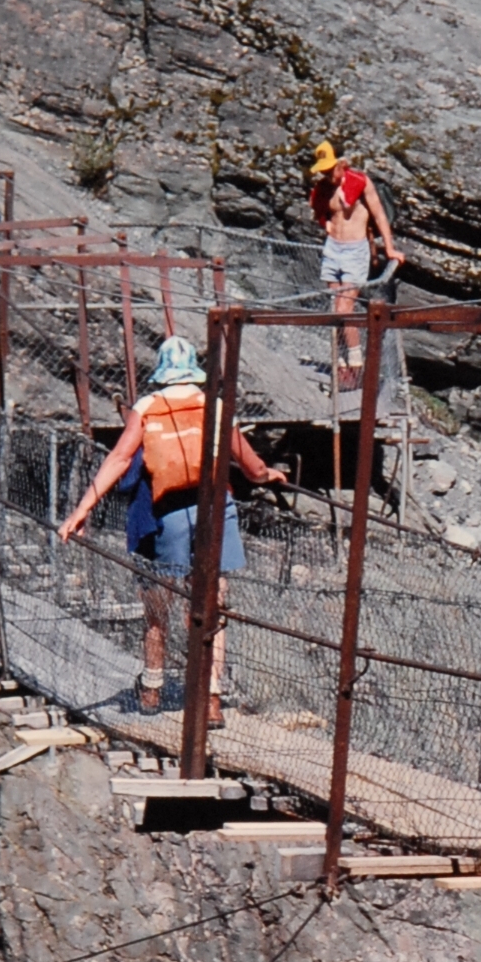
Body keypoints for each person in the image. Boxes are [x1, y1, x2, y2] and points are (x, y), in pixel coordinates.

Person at [58, 336, 284, 720]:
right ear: (194, 368)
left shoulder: (147, 407)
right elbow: (252, 466)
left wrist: (82, 509)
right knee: (214, 601)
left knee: (159, 603)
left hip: (171, 513)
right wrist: (267, 476)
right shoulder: (213, 406)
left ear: (161, 372)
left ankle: (152, 687)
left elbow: (119, 458)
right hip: (217, 508)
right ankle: (211, 699)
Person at [307, 140, 402, 380]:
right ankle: (341, 364)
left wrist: (389, 248)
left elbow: (379, 214)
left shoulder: (360, 182)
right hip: (333, 249)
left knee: (344, 308)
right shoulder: (322, 189)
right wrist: (326, 224)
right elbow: (320, 213)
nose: (327, 175)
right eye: (323, 171)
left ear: (342, 164)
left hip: (355, 251)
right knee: (334, 308)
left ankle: (357, 364)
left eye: (331, 169)